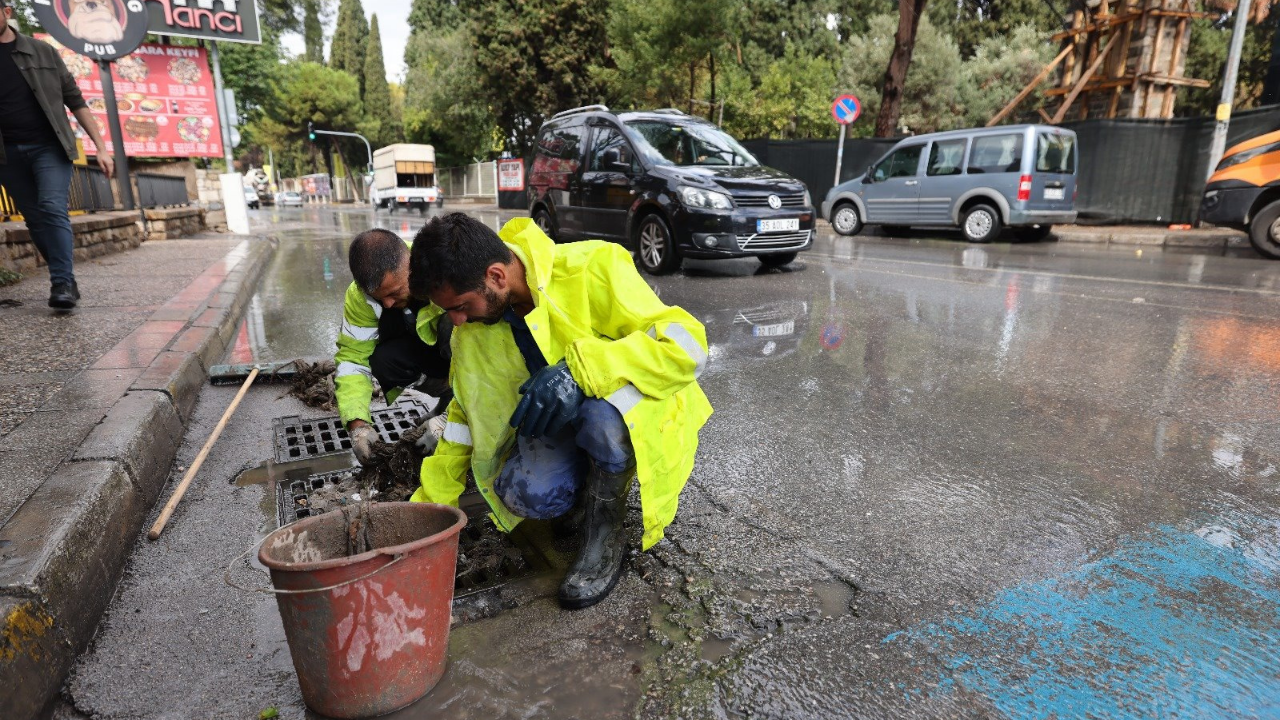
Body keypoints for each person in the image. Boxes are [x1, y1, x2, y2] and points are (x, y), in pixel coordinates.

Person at [407, 213, 713, 609]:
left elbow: (689, 349)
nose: (458, 320)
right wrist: (426, 510)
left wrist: (578, 372)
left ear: (497, 276)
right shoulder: (477, 330)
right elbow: (466, 418)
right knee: (525, 494)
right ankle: (587, 487)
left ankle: (606, 534)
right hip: (564, 425)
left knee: (600, 419)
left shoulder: (593, 266)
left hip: (632, 415)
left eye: (462, 306)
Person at [0, 1, 114, 309]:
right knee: (35, 220)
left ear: (7, 13)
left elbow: (75, 101)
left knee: (51, 207)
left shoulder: (43, 52)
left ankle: (61, 283)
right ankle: (65, 277)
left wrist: (102, 148)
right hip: (7, 155)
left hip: (50, 146)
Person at [335, 228, 452, 465]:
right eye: (379, 297)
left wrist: (454, 421)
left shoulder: (442, 268)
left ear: (410, 266)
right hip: (426, 352)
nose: (387, 303)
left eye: (395, 292)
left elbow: (487, 356)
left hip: (458, 350)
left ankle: (457, 405)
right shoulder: (359, 297)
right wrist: (357, 424)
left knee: (452, 326)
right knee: (383, 361)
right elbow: (352, 360)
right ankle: (448, 395)